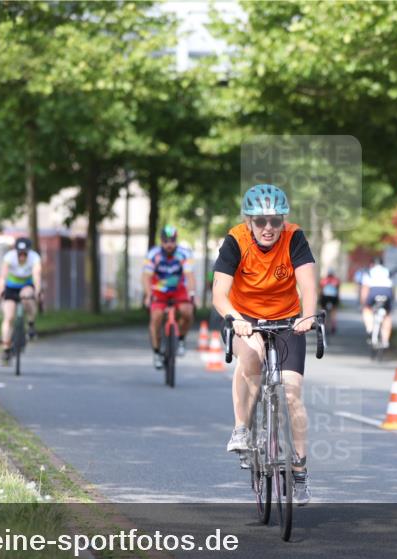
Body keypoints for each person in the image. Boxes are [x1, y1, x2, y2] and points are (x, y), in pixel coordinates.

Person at [212, 184, 317, 505]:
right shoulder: (236, 241)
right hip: (244, 317)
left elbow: (309, 285)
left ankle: (299, 470)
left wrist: (308, 316)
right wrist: (235, 317)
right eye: (260, 222)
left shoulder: (294, 238)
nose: (268, 228)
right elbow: (219, 292)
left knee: (292, 390)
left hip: (286, 318)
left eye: (275, 220)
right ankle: (242, 428)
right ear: (249, 222)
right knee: (253, 354)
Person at [143, 224, 195, 369]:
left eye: (172, 241)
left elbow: (190, 276)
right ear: (161, 241)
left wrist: (192, 294)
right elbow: (146, 277)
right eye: (166, 241)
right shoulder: (153, 254)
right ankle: (156, 352)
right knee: (156, 318)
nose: (169, 244)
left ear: (176, 240)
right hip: (159, 290)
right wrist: (148, 295)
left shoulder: (184, 254)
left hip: (178, 289)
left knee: (187, 312)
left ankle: (181, 339)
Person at [0, 236, 41, 364]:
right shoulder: (9, 257)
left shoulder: (35, 257)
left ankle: (31, 324)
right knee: (9, 317)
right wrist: (0, 289)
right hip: (11, 287)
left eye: (24, 253)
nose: (22, 256)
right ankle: (6, 348)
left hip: (26, 286)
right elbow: (3, 276)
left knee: (27, 296)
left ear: (29, 252)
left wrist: (37, 291)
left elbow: (37, 275)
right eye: (19, 253)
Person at [360, 256, 395, 348]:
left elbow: (365, 289)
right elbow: (392, 287)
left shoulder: (369, 272)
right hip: (387, 292)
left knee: (367, 310)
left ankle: (370, 328)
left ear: (373, 264)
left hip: (374, 291)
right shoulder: (387, 271)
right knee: (387, 315)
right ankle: (385, 340)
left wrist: (364, 303)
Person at [319, 268, 341, 334]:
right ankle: (333, 326)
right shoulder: (336, 280)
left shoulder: (323, 280)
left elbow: (320, 290)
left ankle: (323, 325)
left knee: (323, 311)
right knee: (333, 312)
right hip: (333, 298)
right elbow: (338, 290)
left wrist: (319, 299)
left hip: (325, 298)